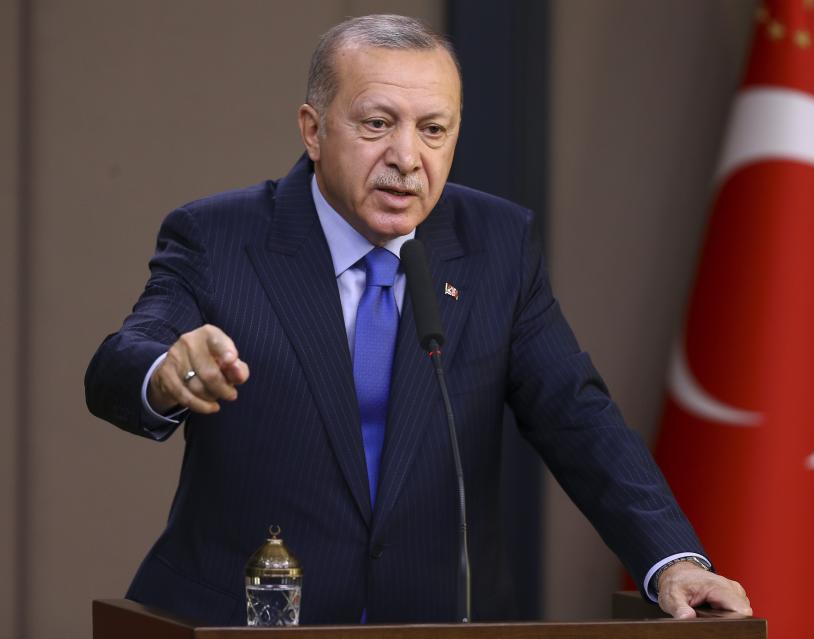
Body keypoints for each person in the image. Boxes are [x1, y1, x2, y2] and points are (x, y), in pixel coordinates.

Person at [85, 14, 751, 626]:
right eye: (377, 124)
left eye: (434, 129)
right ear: (313, 130)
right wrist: (165, 372)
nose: (408, 157)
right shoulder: (219, 237)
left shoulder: (495, 244)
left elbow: (576, 415)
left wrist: (672, 558)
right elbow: (122, 360)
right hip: (244, 619)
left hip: (438, 619)